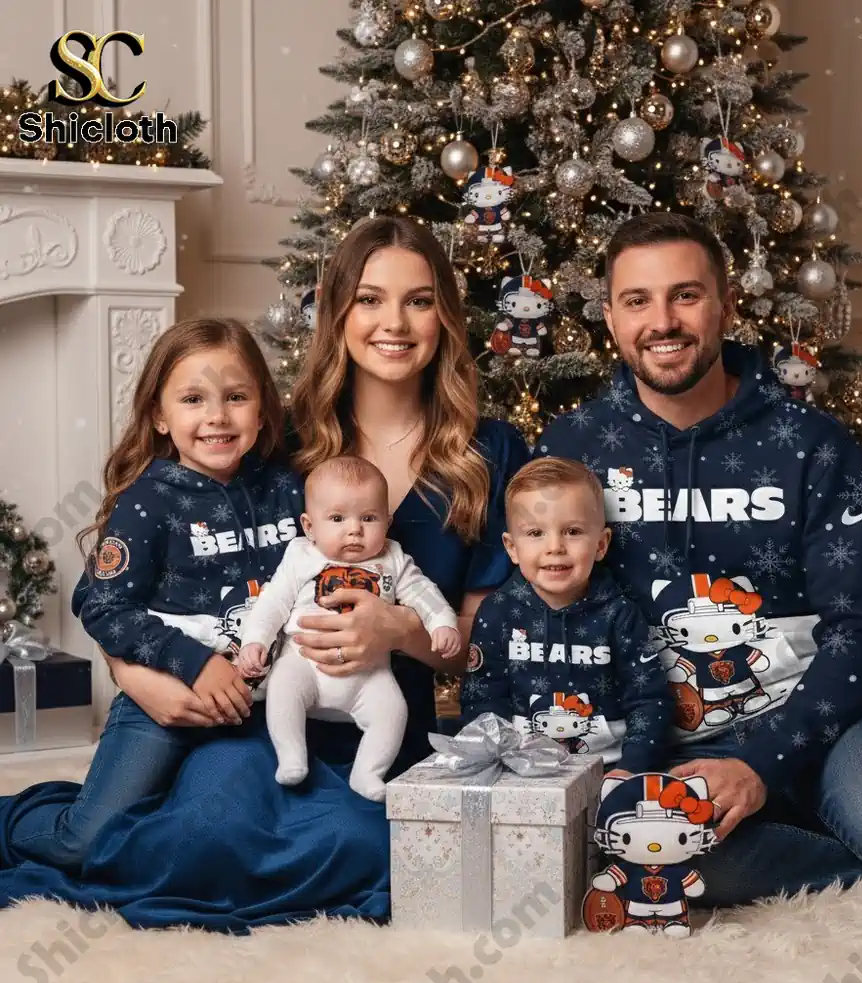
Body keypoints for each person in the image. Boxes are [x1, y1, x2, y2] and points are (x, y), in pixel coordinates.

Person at [0, 216, 531, 932]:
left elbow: (493, 643)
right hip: (263, 712)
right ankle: (63, 823)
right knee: (215, 832)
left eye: (420, 299)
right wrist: (141, 675)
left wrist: (402, 631)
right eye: (370, 299)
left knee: (372, 853)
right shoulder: (281, 441)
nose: (394, 323)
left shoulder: (488, 452)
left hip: (382, 719)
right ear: (337, 310)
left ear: (447, 315)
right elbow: (165, 579)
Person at [537, 211, 862, 905]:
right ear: (610, 317)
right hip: (665, 738)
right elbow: (555, 612)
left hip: (823, 719)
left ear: (726, 303)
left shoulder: (810, 443)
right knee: (650, 852)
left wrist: (758, 763)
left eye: (686, 295)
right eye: (638, 300)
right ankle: (861, 866)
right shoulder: (573, 445)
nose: (662, 320)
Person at [6, 317, 299, 870]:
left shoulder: (288, 489)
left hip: (266, 707)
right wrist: (194, 665)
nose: (216, 416)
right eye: (193, 399)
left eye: (236, 397)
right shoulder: (149, 502)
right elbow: (102, 604)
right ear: (161, 416)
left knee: (227, 836)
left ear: (262, 411)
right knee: (88, 843)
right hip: (162, 703)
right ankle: (13, 819)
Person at [237, 455, 461, 796]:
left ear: (387, 522)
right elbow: (273, 602)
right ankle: (292, 756)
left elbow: (423, 593)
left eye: (369, 518)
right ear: (309, 526)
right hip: (304, 664)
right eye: (338, 518)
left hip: (368, 674)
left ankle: (368, 772)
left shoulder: (392, 559)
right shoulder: (301, 556)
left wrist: (442, 623)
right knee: (282, 690)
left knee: (393, 710)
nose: (354, 529)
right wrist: (256, 641)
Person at [460, 457, 671, 774]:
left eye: (572, 531)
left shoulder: (620, 615)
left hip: (608, 767)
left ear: (600, 544)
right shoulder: (498, 612)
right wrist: (496, 759)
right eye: (535, 533)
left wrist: (632, 768)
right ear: (512, 547)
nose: (554, 546)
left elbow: (649, 700)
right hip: (519, 768)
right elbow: (482, 696)